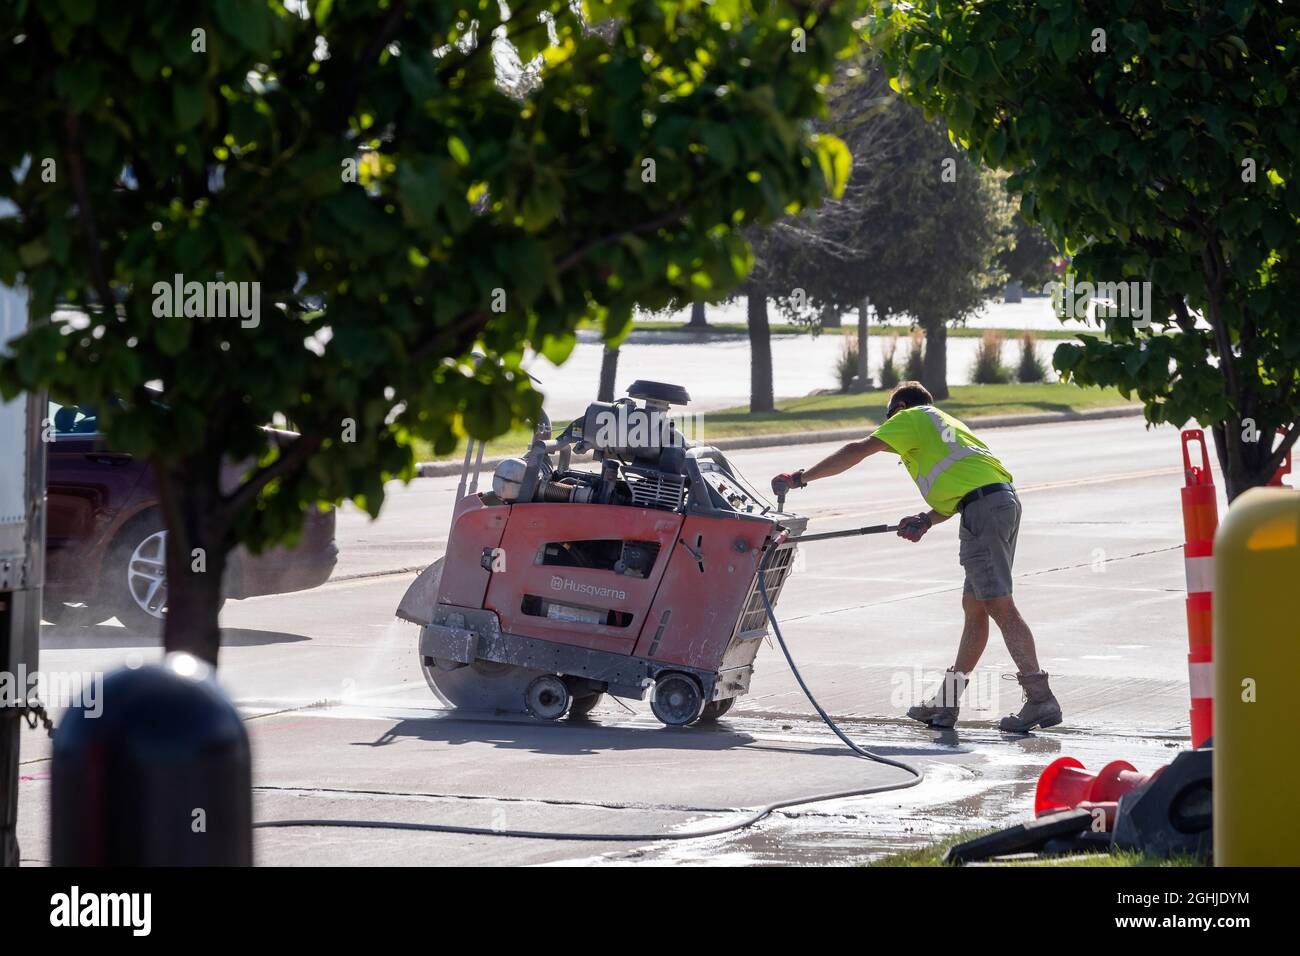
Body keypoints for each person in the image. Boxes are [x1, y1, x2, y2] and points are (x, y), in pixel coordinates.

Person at [772, 381, 1062, 732]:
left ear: (901, 407)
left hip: (984, 510)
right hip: (995, 505)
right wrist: (925, 519)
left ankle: (1040, 698)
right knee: (976, 609)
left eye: (888, 416)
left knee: (999, 604)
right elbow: (957, 496)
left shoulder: (912, 416)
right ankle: (946, 703)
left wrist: (800, 477)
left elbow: (857, 449)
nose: (887, 428)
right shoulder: (943, 428)